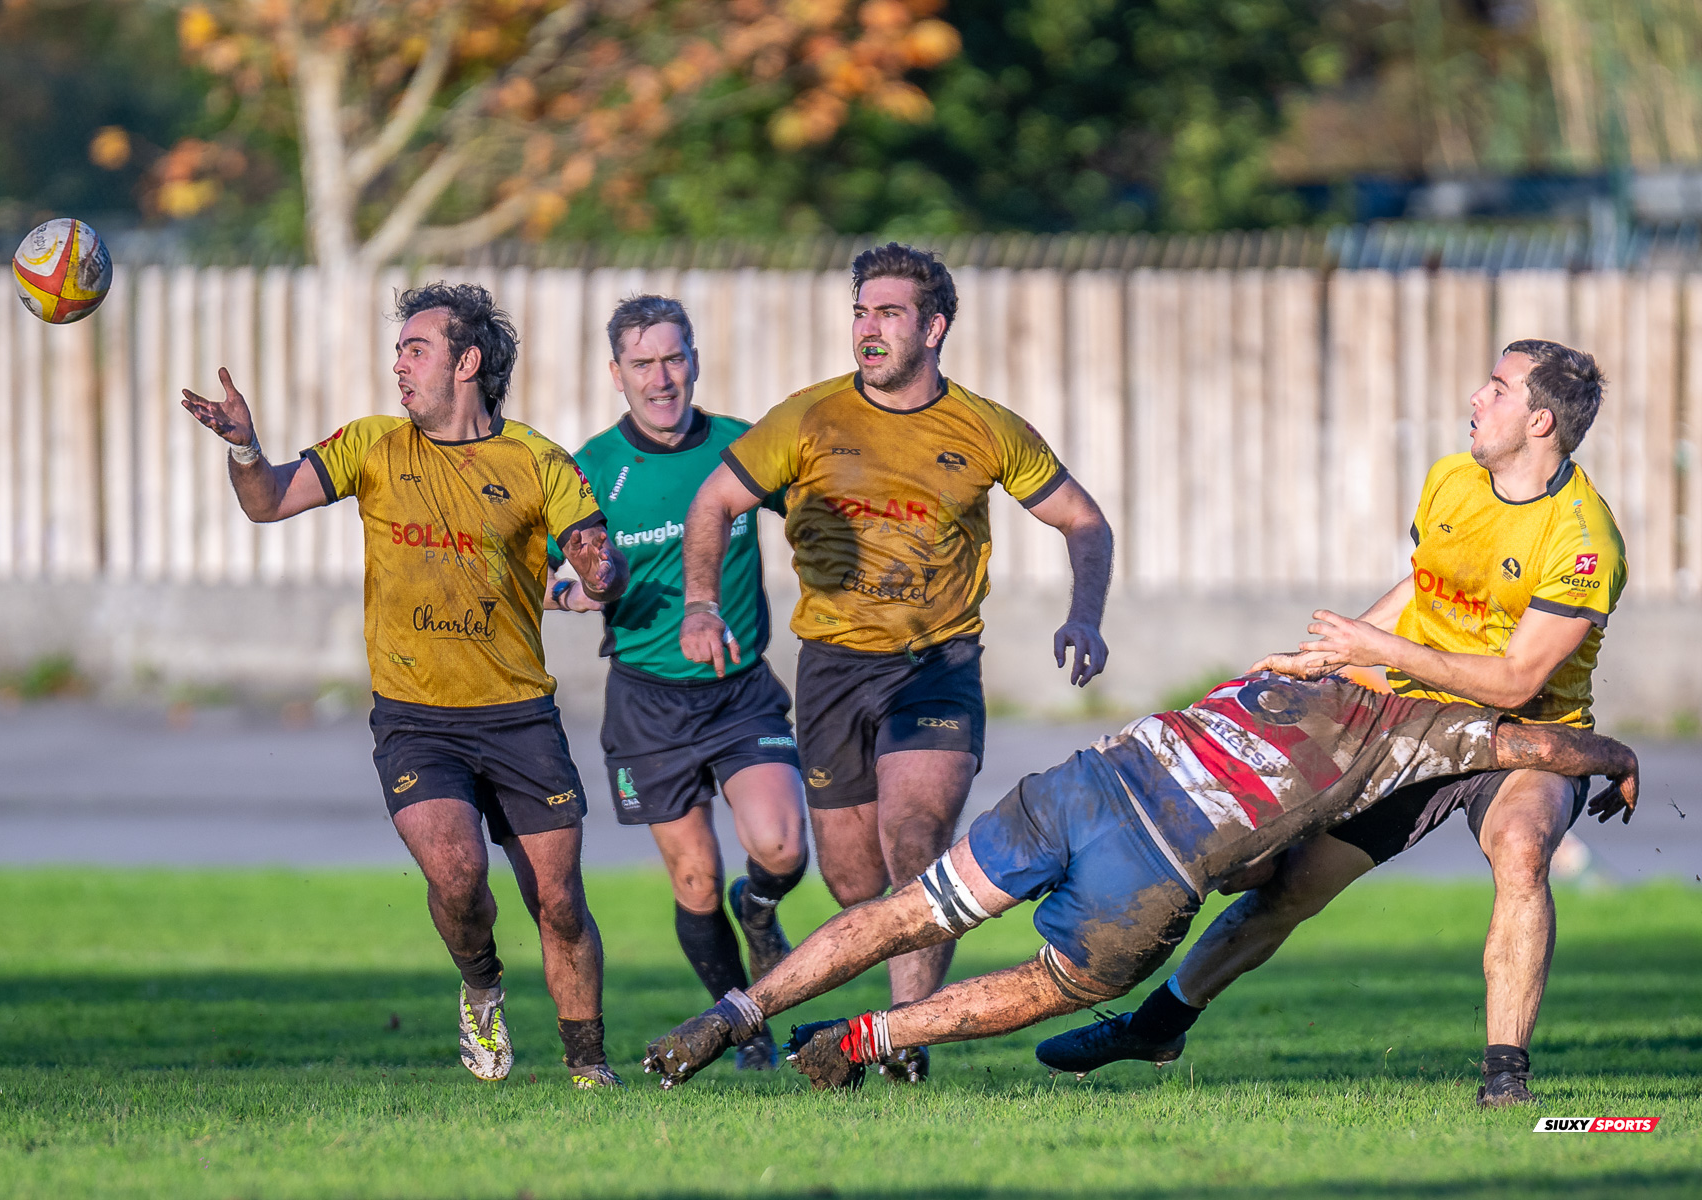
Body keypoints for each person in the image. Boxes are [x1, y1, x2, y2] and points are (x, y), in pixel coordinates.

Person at [1047, 339, 1627, 1108]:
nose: (1478, 398)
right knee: (1289, 888)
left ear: (1541, 419)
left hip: (1527, 738)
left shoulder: (1584, 541)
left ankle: (1504, 1079)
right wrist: (1329, 654)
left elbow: (1519, 681)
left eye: (1498, 386)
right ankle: (1156, 1026)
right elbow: (1421, 590)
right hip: (1412, 723)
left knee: (1521, 852)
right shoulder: (1454, 480)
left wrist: (1378, 649)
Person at [640, 671, 1639, 1090]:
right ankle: (865, 1038)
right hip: (1154, 870)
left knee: (908, 912)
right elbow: (1529, 741)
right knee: (1046, 986)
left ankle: (739, 1010)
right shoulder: (1423, 726)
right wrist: (1614, 754)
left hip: (1088, 782)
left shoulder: (1305, 660)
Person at [179, 282, 631, 1089]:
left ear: (468, 361)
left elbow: (594, 557)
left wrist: (600, 564)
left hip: (521, 717)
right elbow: (269, 502)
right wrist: (245, 447)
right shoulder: (375, 446)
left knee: (559, 903)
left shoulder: (537, 461)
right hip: (417, 720)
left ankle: (589, 1068)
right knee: (457, 876)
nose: (398, 365)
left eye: (414, 349)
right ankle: (483, 988)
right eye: (398, 350)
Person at [678, 243, 1114, 1081]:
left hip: (936, 664)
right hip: (834, 665)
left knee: (917, 844)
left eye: (887, 314)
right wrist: (701, 603)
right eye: (859, 312)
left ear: (934, 326)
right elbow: (717, 501)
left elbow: (1084, 521)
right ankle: (888, 1011)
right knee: (854, 878)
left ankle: (903, 1041)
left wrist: (1084, 615)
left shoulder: (986, 428)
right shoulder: (808, 418)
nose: (867, 330)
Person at [544, 295, 809, 1070]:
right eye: (643, 364)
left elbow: (819, 515)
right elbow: (540, 580)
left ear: (694, 359)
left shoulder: (739, 447)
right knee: (695, 878)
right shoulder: (592, 468)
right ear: (616, 375)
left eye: (673, 358)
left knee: (783, 848)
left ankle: (759, 911)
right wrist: (578, 591)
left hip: (739, 689)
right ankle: (744, 1028)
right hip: (647, 702)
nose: (661, 378)